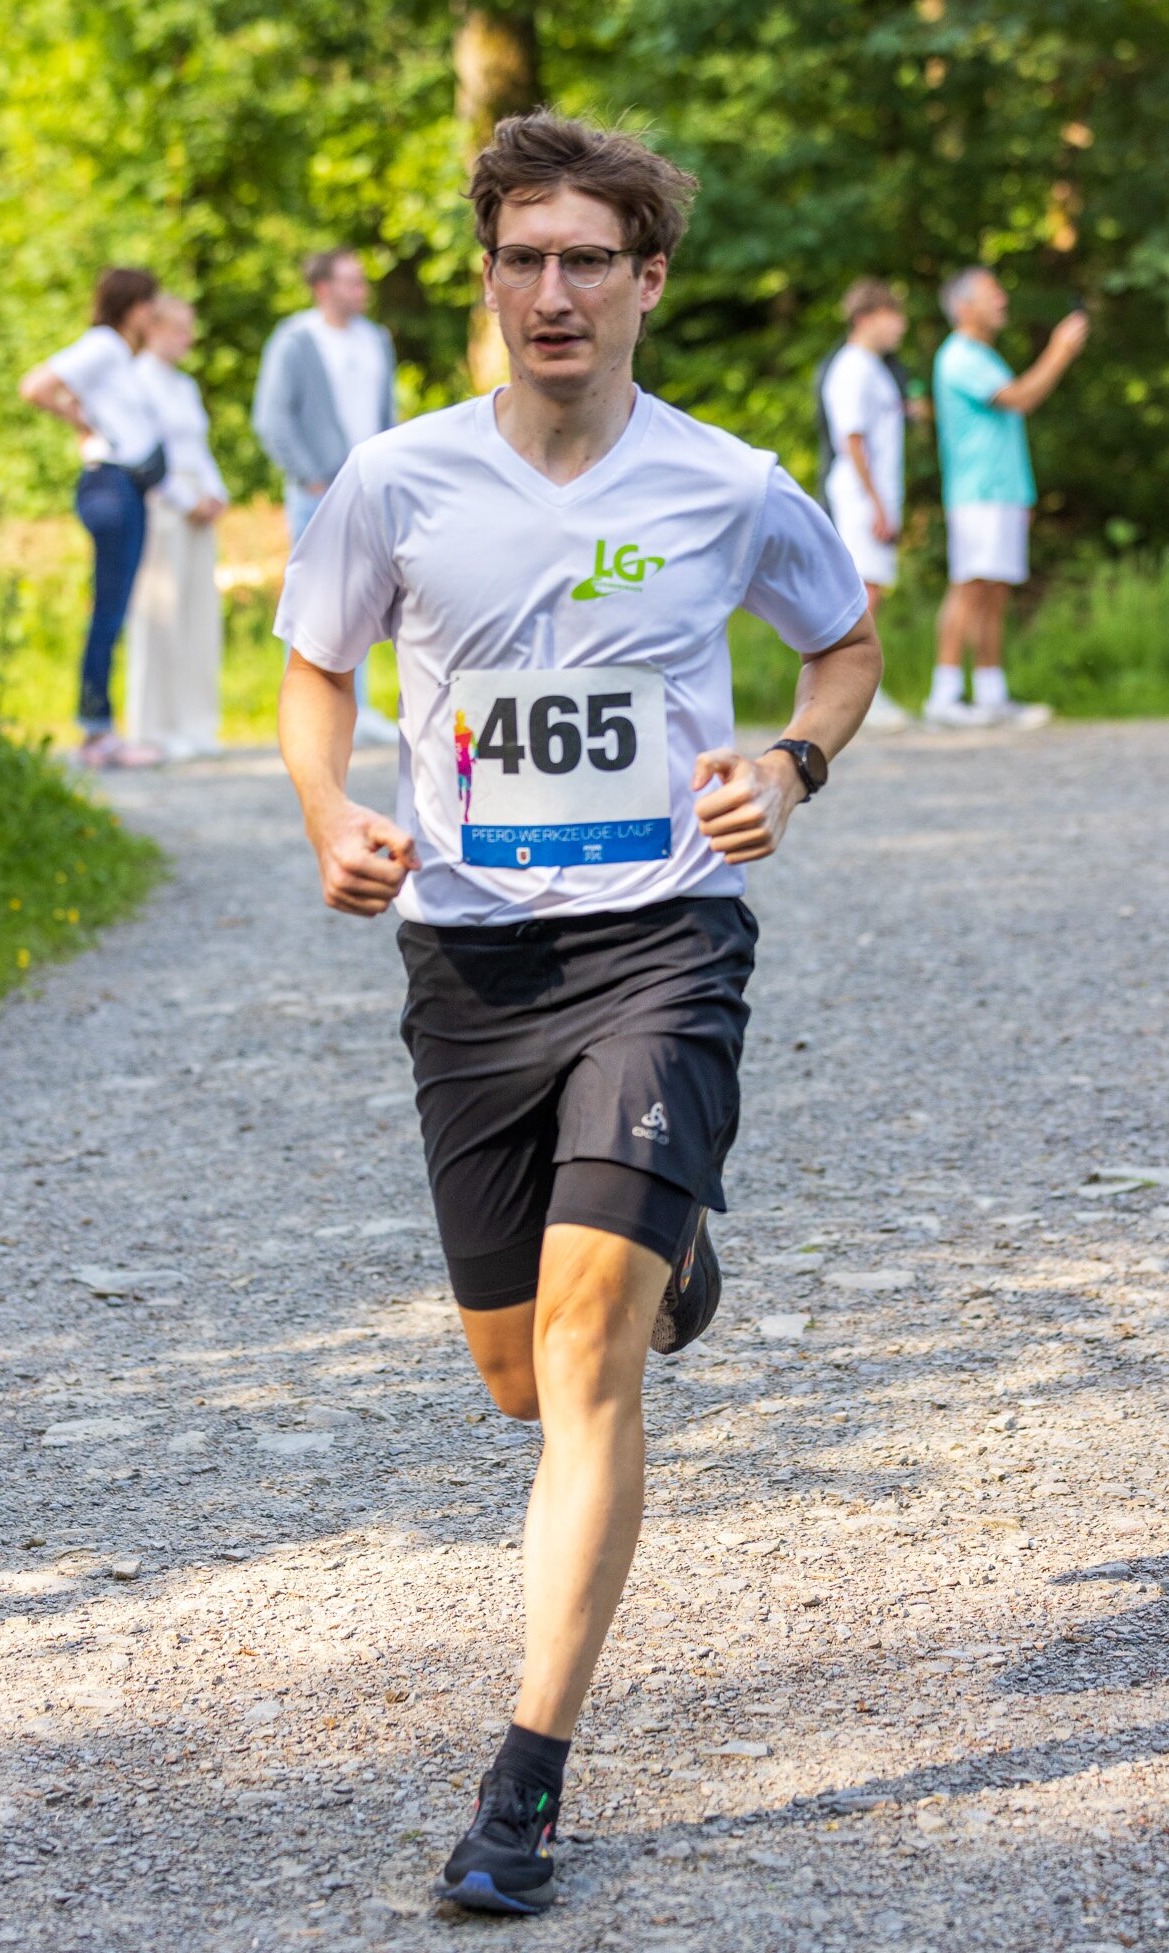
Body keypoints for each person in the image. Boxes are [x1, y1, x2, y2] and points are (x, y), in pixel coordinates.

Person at [274, 108, 881, 1917]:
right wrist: (326, 811)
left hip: (662, 943)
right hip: (471, 967)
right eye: (524, 258)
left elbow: (844, 648)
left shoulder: (724, 483)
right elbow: (313, 668)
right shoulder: (395, 480)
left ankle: (523, 1781)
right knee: (514, 1369)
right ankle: (668, 1251)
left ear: (646, 282)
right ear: (488, 278)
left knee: (587, 1347)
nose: (555, 291)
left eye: (588, 261)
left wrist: (790, 762)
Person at [925, 267, 1088, 728]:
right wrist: (1059, 351)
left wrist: (1022, 494)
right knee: (970, 587)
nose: (1002, 301)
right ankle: (945, 696)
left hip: (1003, 491)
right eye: (991, 295)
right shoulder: (959, 356)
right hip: (978, 492)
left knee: (994, 593)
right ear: (963, 308)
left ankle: (990, 695)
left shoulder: (984, 355)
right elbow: (1020, 398)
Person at [20, 268, 168, 767]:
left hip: (127, 487)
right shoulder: (104, 345)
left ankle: (100, 727)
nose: (155, 312)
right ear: (134, 306)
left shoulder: (122, 355)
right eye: (150, 303)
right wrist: (81, 423)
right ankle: (97, 732)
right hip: (112, 485)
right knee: (108, 610)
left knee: (113, 608)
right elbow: (35, 386)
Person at [252, 248, 400, 748]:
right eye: (351, 281)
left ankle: (358, 709)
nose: (362, 290)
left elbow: (386, 415)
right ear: (323, 288)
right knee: (314, 608)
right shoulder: (296, 340)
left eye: (362, 280)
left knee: (369, 600)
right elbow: (272, 418)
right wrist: (311, 476)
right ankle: (308, 716)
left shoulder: (376, 340)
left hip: (371, 490)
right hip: (317, 494)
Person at [126, 296, 228, 758]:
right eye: (178, 329)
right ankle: (155, 726)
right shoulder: (137, 381)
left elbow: (197, 447)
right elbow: (143, 453)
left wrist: (215, 492)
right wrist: (187, 501)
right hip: (164, 503)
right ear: (154, 329)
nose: (187, 339)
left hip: (198, 502)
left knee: (198, 614)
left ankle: (196, 722)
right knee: (160, 614)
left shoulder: (184, 385)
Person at [818, 278, 915, 729]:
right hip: (861, 498)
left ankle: (860, 692)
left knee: (871, 591)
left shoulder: (873, 368)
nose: (900, 326)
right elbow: (852, 440)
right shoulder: (853, 367)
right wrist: (876, 504)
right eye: (891, 316)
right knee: (863, 595)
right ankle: (858, 695)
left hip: (873, 496)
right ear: (865, 319)